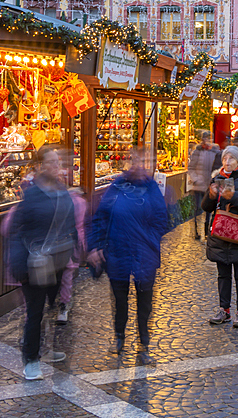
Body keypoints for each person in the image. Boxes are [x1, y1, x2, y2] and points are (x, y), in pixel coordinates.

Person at [86, 148, 170, 359]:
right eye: (139, 160)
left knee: (145, 302)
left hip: (145, 254)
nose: (142, 165)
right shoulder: (117, 185)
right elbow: (100, 216)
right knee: (120, 299)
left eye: (147, 161)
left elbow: (162, 220)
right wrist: (95, 246)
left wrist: (149, 241)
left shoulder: (152, 188)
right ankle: (119, 337)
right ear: (131, 162)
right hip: (118, 251)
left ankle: (143, 344)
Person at [8, 145, 78, 381]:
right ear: (39, 166)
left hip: (57, 261)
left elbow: (70, 223)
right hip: (34, 263)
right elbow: (16, 230)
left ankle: (44, 349)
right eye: (51, 162)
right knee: (35, 313)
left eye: (58, 161)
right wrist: (19, 266)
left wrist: (73, 251)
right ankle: (31, 359)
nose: (56, 165)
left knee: (50, 307)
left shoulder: (61, 191)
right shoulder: (31, 194)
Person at [202, 145, 238, 328]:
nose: (227, 162)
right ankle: (224, 310)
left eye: (231, 159)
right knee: (223, 274)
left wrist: (233, 196)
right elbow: (206, 208)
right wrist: (211, 196)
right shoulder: (217, 178)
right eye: (224, 159)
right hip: (221, 233)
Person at [56, 187, 88, 323]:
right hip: (73, 241)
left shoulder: (58, 201)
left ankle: (59, 301)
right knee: (67, 274)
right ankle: (64, 303)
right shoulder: (81, 202)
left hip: (59, 242)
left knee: (60, 273)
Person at [188, 131, 222, 239]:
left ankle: (207, 232)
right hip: (198, 186)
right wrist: (196, 179)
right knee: (197, 209)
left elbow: (218, 167)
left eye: (210, 139)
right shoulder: (197, 152)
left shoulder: (216, 152)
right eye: (206, 139)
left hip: (210, 186)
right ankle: (196, 231)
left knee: (209, 210)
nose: (208, 141)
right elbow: (191, 168)